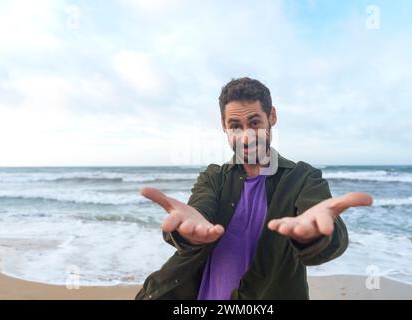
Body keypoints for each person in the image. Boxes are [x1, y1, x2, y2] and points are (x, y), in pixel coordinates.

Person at [135, 77, 372, 300]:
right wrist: (186, 233)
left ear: (272, 116)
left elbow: (327, 230)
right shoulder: (214, 177)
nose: (247, 137)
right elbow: (199, 211)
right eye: (235, 126)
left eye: (255, 122)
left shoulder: (303, 177)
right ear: (223, 126)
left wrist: (317, 235)